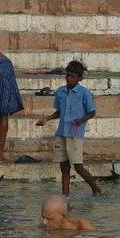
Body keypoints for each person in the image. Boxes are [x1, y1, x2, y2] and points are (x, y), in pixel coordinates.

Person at [36, 60, 101, 196]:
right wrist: (46, 119)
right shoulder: (60, 91)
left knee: (78, 167)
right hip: (61, 133)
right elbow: (59, 112)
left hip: (75, 134)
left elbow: (92, 112)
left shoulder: (84, 93)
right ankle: (66, 196)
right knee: (64, 167)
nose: (69, 79)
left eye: (73, 76)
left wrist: (81, 120)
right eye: (67, 75)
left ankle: (96, 189)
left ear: (80, 78)